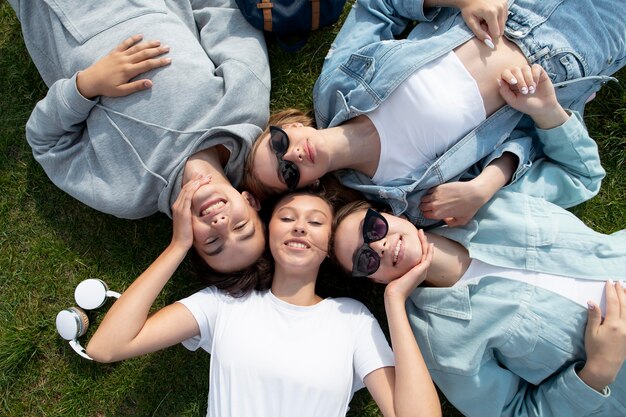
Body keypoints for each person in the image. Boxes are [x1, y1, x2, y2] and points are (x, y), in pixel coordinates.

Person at [330, 56, 626, 415]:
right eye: (365, 259)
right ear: (374, 280)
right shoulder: (442, 341)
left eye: (372, 227)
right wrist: (596, 374)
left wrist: (547, 111)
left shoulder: (481, 206)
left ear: (389, 214)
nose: (379, 244)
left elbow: (581, 176)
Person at [244, 0, 625, 227]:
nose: (291, 155)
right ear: (308, 187)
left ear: (289, 126)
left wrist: (465, 2)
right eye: (288, 174)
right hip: (575, 50)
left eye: (278, 144)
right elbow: (554, 163)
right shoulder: (410, 199)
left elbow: (379, 5)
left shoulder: (335, 85)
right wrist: (486, 186)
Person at [85, 180, 442, 417]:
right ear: (268, 230)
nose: (299, 227)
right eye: (287, 218)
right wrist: (179, 244)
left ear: (329, 252)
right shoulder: (223, 304)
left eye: (315, 223)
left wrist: (393, 301)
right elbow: (107, 347)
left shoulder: (353, 320)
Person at [8, 0, 271, 273]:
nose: (221, 224)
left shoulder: (127, 193)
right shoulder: (244, 110)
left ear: (189, 239)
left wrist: (86, 86)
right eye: (241, 226)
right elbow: (223, 12)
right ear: (250, 201)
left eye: (214, 243)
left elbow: (46, 143)